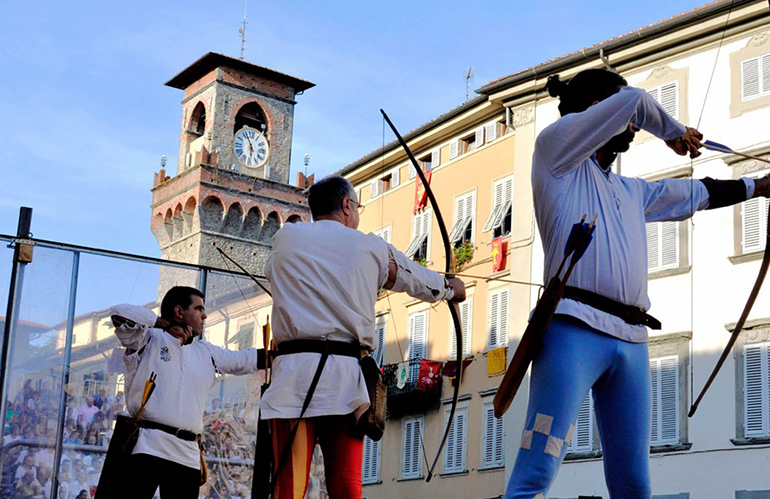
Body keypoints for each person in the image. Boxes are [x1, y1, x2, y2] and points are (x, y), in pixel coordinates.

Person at [504, 68, 770, 499]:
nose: (631, 125)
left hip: (630, 340)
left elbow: (695, 194)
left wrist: (758, 185)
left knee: (633, 484)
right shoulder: (554, 154)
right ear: (595, 110)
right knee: (536, 471)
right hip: (573, 329)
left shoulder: (628, 190)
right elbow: (636, 102)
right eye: (620, 112)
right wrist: (674, 132)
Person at [261, 175, 466, 498]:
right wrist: (449, 289)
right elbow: (412, 277)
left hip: (293, 377)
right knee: (346, 487)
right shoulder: (369, 245)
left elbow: (275, 274)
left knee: (289, 487)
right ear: (346, 205)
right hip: (346, 381)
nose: (357, 214)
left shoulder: (285, 238)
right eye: (357, 206)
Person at [108, 286, 261, 499]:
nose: (204, 315)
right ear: (179, 312)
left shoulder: (206, 352)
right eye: (198, 309)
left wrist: (283, 352)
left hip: (187, 455)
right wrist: (165, 325)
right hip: (148, 445)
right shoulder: (148, 338)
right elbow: (119, 312)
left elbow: (244, 360)